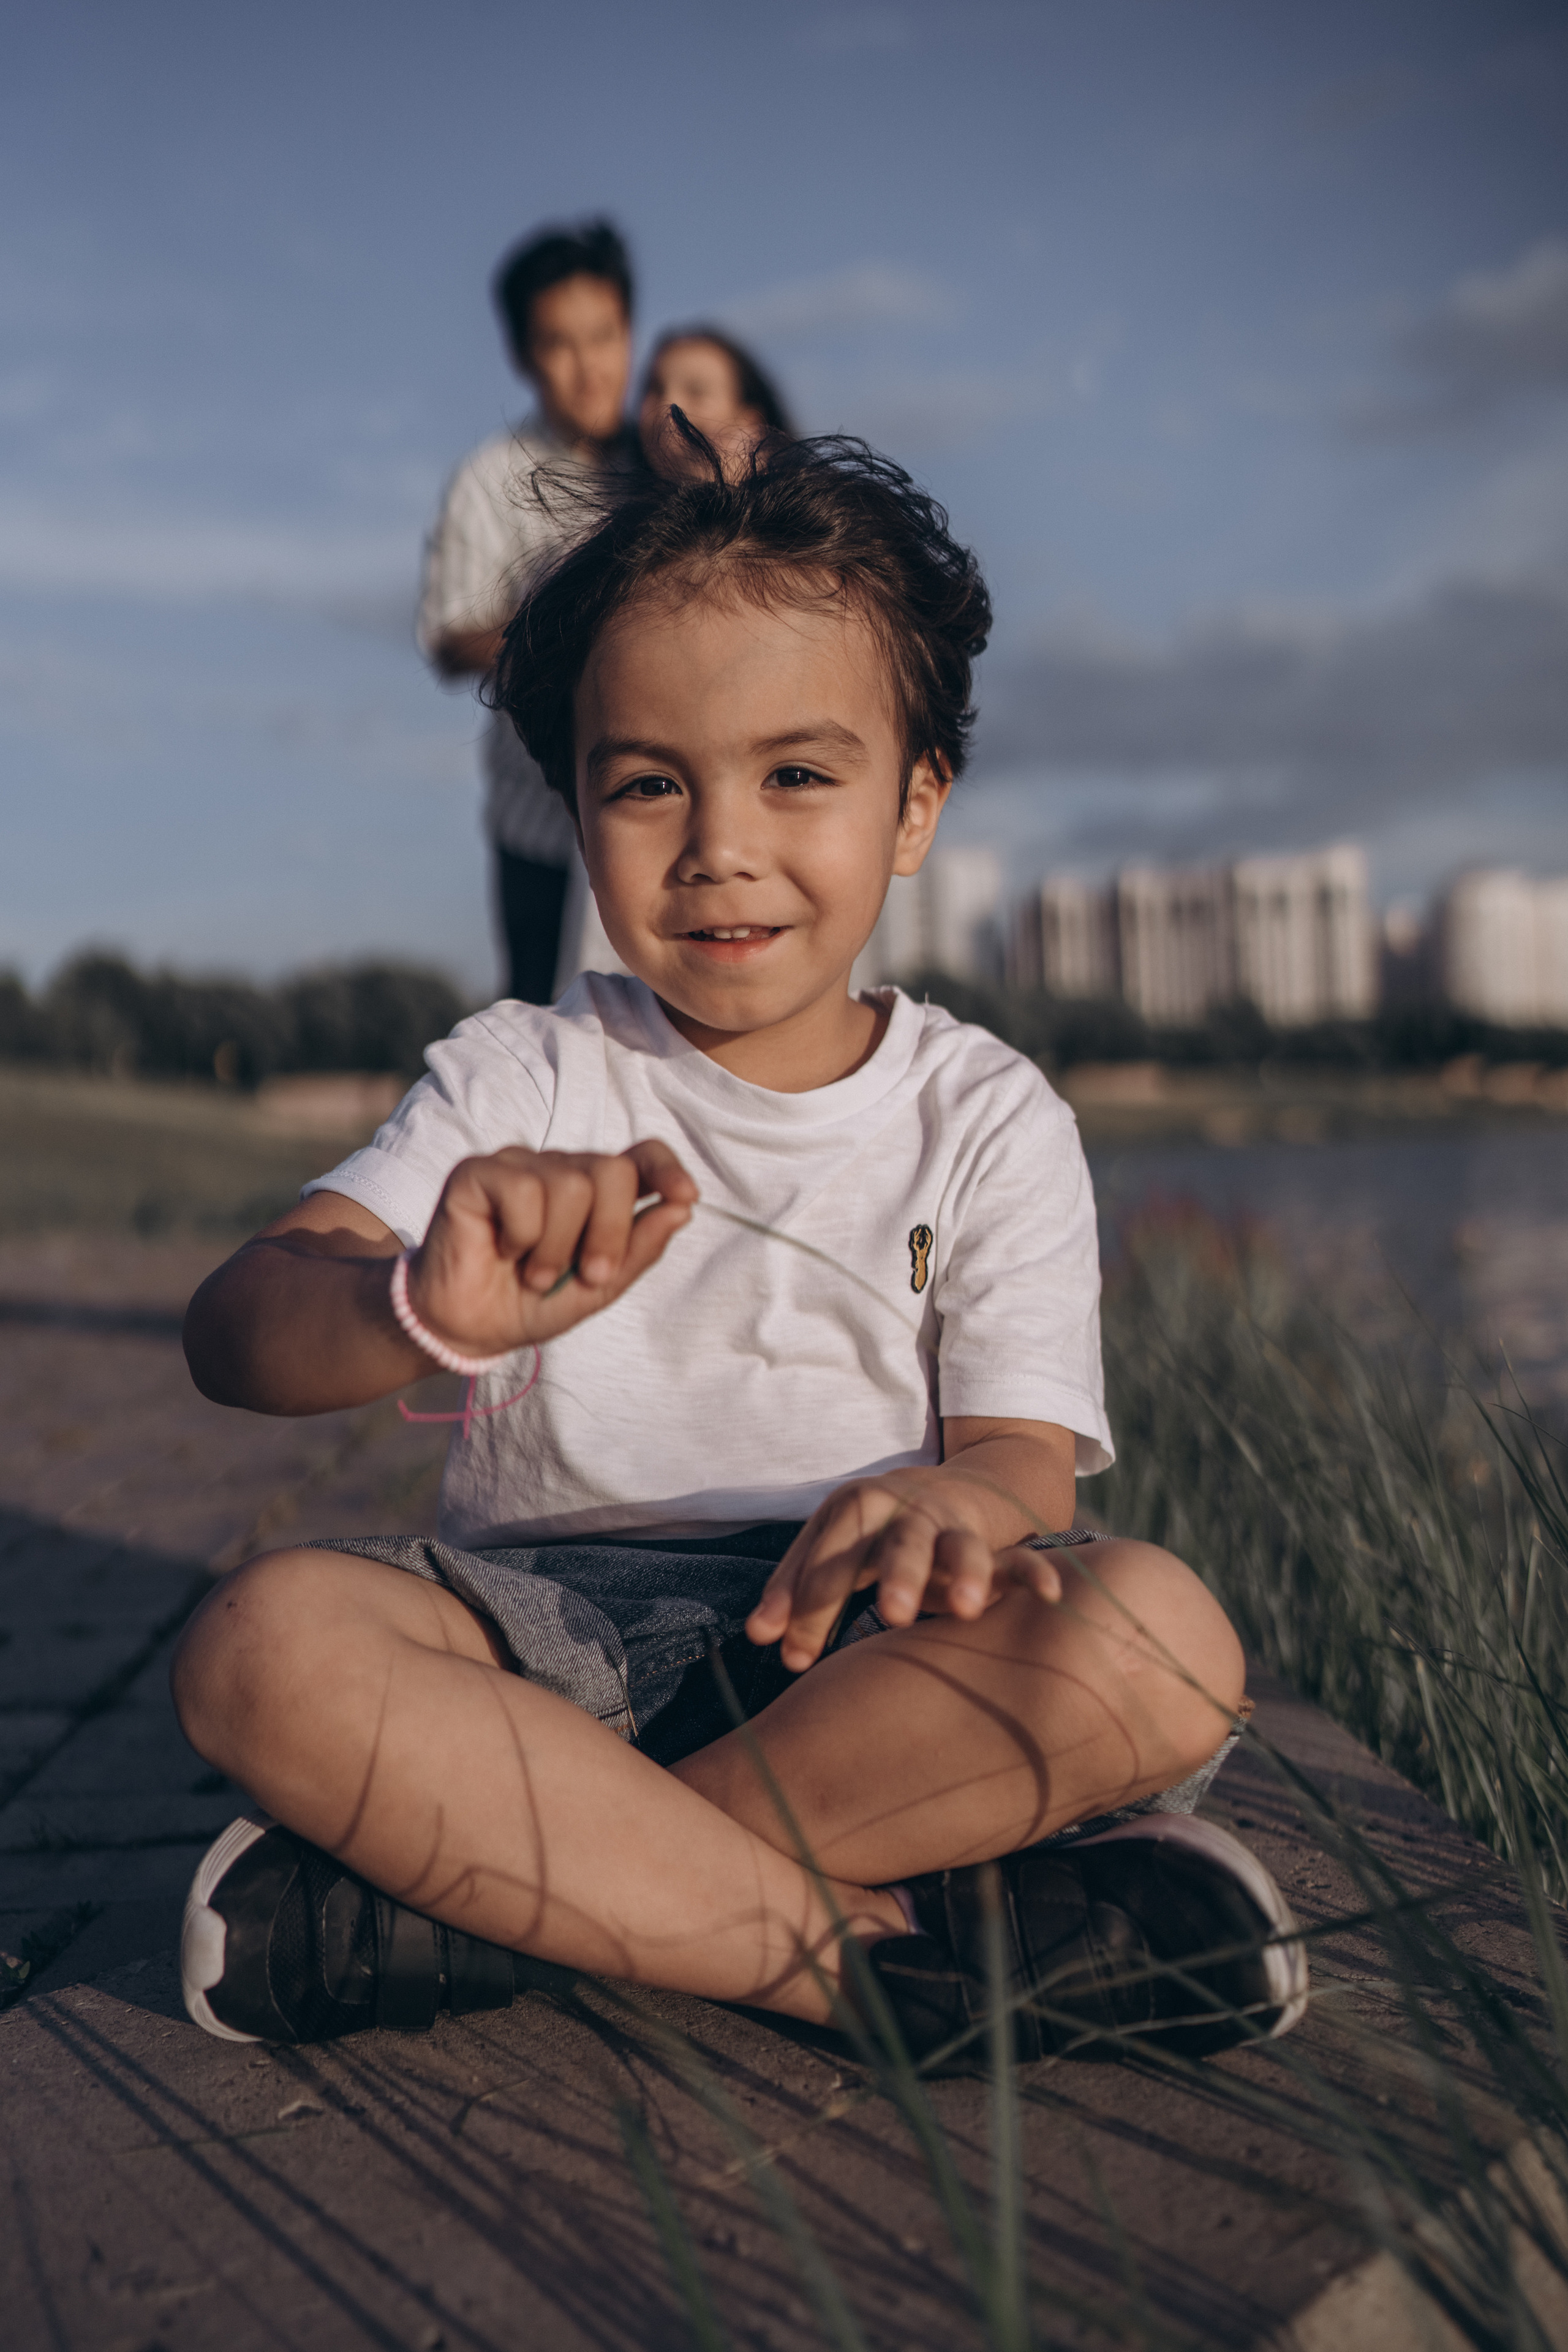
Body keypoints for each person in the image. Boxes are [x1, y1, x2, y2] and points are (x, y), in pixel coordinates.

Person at [173, 428, 1307, 2064]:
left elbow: (1022, 1460)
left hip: (865, 1660)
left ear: (917, 804)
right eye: (648, 782)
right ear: (575, 805)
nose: (720, 843)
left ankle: (519, 1891)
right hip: (538, 1631)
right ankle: (849, 1963)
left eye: (798, 773)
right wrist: (414, 1304)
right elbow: (239, 1330)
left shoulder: (988, 1114)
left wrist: (957, 1499)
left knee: (1163, 1638)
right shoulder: (525, 1074)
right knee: (262, 1646)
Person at [418, 218, 639, 1004]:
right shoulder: (489, 478)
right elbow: (449, 637)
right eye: (559, 343)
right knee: (549, 1029)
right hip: (537, 820)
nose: (590, 368)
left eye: (604, 335)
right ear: (522, 355)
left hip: (660, 806)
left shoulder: (662, 460)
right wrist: (573, 626)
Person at [638, 324, 794, 477]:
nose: (667, 404)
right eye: (656, 389)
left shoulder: (803, 501)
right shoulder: (617, 493)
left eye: (697, 391)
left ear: (750, 422)